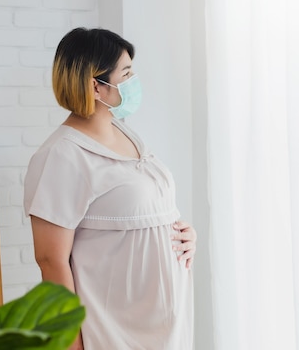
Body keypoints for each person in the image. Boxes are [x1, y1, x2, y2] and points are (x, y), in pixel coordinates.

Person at [24, 27, 196, 350]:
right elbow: (51, 262)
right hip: (116, 334)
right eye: (126, 73)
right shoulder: (61, 156)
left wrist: (183, 235)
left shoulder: (124, 133)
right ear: (96, 86)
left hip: (163, 329)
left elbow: (144, 210)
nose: (135, 82)